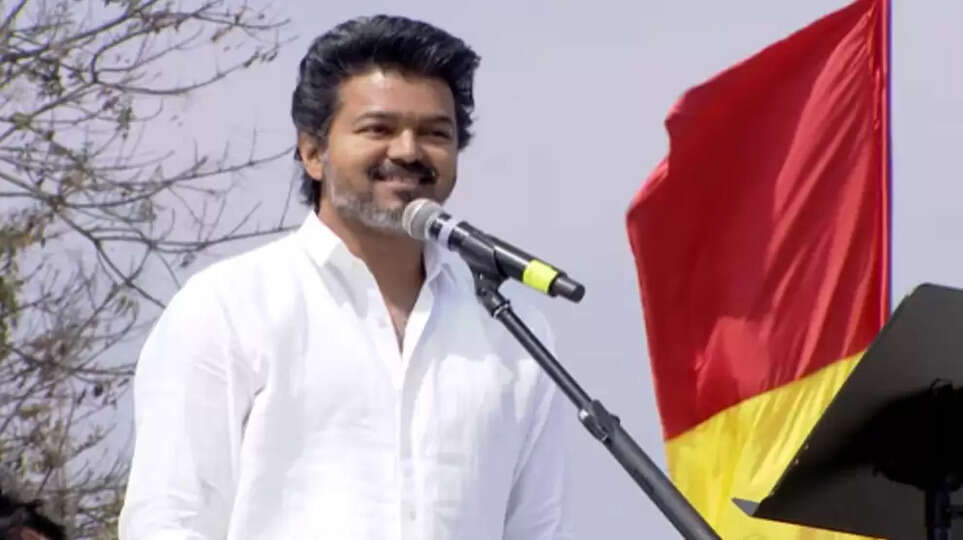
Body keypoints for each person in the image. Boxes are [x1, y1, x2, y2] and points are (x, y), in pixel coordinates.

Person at [119, 14, 572, 540]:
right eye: (379, 129)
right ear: (313, 152)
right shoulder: (228, 307)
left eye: (435, 133)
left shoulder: (513, 335)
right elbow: (169, 521)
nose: (408, 151)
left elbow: (541, 530)